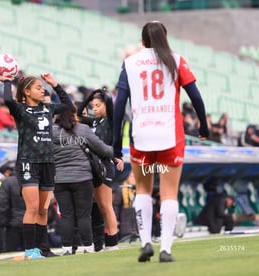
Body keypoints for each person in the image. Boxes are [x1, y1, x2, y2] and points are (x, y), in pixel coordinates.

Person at [113, 21, 209, 262]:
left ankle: (145, 242)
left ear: (143, 40)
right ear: (164, 38)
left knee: (142, 190)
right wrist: (204, 126)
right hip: (170, 136)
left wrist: (116, 141)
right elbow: (195, 97)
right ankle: (165, 249)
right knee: (169, 194)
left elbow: (118, 105)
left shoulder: (130, 62)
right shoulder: (176, 60)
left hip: (141, 135)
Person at [0, 72, 72, 260]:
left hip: (48, 163)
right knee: (32, 206)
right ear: (27, 92)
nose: (42, 90)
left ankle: (43, 249)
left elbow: (68, 105)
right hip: (28, 163)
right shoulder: (20, 109)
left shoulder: (47, 108)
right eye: (38, 87)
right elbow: (7, 99)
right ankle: (30, 250)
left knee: (43, 209)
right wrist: (7, 81)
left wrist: (55, 84)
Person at [52, 104, 114, 255]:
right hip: (82, 178)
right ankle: (88, 247)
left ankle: (67, 248)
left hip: (60, 179)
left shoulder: (51, 131)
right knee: (83, 215)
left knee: (66, 215)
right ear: (74, 115)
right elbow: (103, 149)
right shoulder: (82, 129)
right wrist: (114, 152)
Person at [77, 89, 124, 252]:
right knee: (101, 206)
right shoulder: (94, 122)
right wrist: (90, 96)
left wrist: (105, 97)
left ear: (106, 105)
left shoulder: (111, 120)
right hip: (95, 166)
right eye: (92, 106)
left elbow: (111, 108)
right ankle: (108, 241)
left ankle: (112, 242)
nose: (94, 109)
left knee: (106, 205)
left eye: (98, 105)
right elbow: (77, 114)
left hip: (105, 166)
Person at [0, 174, 25, 252]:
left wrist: (3, 222)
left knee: (10, 253)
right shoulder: (35, 179)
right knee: (31, 252)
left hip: (12, 224)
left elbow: (3, 204)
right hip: (32, 223)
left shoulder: (8, 182)